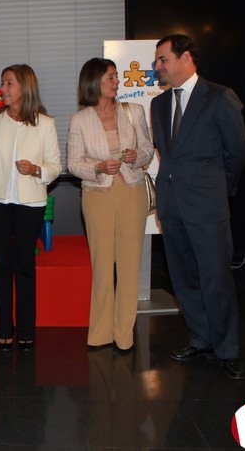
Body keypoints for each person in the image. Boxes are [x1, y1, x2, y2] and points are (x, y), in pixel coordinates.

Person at [150, 34, 245, 379]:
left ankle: (227, 350)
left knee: (215, 278)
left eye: (163, 59)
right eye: (157, 61)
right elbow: (167, 154)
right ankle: (201, 338)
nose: (157, 66)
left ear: (185, 58)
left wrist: (219, 188)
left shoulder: (219, 97)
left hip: (207, 205)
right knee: (184, 278)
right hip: (171, 204)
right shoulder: (159, 104)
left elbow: (238, 151)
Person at [0, 64, 61, 351]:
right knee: (1, 265)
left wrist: (36, 170)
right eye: (2, 83)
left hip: (30, 203)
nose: (3, 89)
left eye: (9, 83)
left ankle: (26, 330)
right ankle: (4, 329)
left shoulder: (45, 123)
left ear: (25, 87)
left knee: (24, 266)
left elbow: (55, 166)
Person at [66, 57, 154, 352]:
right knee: (102, 265)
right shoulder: (80, 120)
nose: (117, 82)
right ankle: (100, 333)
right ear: (94, 82)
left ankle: (124, 335)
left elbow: (147, 149)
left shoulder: (133, 111)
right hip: (97, 196)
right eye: (111, 77)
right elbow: (73, 163)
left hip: (132, 192)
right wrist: (98, 167)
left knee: (129, 265)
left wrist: (136, 156)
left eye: (116, 77)